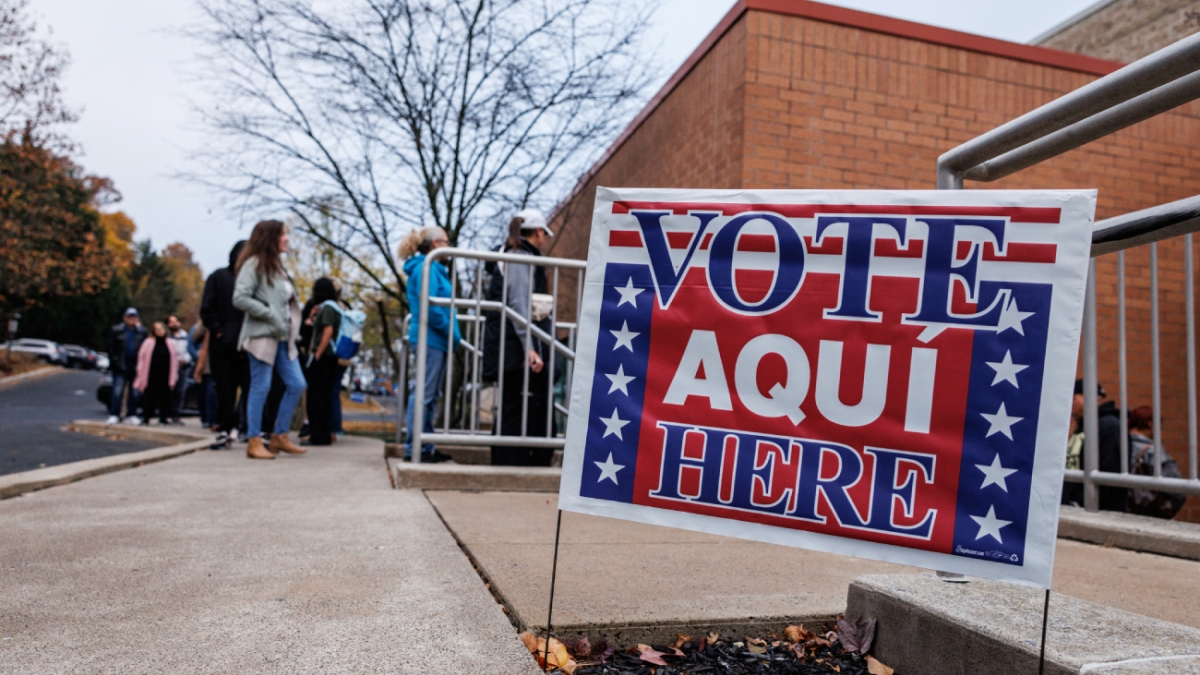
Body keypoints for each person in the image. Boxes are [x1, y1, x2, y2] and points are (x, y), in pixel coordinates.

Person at [483, 209, 555, 466]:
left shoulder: (509, 254)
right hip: (513, 343)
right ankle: (508, 463)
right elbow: (518, 304)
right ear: (538, 232)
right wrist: (530, 347)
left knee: (513, 404)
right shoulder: (519, 256)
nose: (544, 239)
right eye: (543, 234)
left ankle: (508, 460)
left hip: (507, 340)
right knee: (514, 406)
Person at [232, 220, 307, 460]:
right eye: (283, 234)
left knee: (297, 384)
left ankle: (279, 436)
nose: (287, 238)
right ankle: (254, 441)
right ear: (270, 237)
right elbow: (240, 298)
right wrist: (269, 313)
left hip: (284, 337)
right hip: (262, 336)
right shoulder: (254, 265)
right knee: (261, 385)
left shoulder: (277, 267)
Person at [401, 225, 460, 463]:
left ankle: (424, 446)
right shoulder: (428, 268)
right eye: (446, 240)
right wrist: (452, 334)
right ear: (435, 243)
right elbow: (432, 308)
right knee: (424, 394)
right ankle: (415, 448)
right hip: (432, 338)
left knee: (428, 394)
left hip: (434, 339)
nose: (448, 244)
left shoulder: (428, 267)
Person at [201, 241, 249, 447]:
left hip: (247, 344)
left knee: (248, 388)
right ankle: (225, 427)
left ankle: (240, 426)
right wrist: (219, 330)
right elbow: (207, 308)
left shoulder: (252, 281)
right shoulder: (218, 277)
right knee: (224, 389)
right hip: (223, 345)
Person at [1062, 379, 1127, 511]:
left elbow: (1108, 473)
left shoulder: (1109, 426)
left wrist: (1080, 503)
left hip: (1097, 513)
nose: (1069, 404)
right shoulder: (1083, 426)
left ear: (1092, 398)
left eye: (1073, 398)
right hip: (1077, 510)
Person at [1126, 406, 1187, 518]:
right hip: (1150, 513)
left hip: (1124, 510)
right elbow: (1178, 489)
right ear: (1150, 424)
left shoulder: (1119, 445)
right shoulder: (1153, 451)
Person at [304, 277, 342, 446]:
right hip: (331, 358)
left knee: (316, 397)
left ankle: (318, 435)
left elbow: (328, 330)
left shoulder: (327, 308)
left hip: (323, 356)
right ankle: (324, 433)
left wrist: (318, 352)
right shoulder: (335, 307)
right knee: (325, 396)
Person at [106, 308, 148, 425]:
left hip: (136, 367)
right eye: (129, 316)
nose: (131, 319)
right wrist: (115, 362)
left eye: (134, 316)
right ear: (124, 318)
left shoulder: (142, 332)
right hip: (120, 365)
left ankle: (132, 414)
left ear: (137, 318)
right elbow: (110, 348)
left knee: (135, 393)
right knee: (117, 391)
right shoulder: (116, 330)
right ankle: (114, 414)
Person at [133, 322, 178, 426]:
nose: (159, 330)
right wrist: (140, 371)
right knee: (149, 396)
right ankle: (146, 417)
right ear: (153, 331)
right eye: (157, 329)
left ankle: (163, 418)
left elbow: (175, 360)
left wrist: (174, 374)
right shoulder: (148, 342)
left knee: (165, 396)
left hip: (166, 374)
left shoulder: (171, 343)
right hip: (151, 373)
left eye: (161, 328)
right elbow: (141, 358)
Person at [166, 315, 192, 424]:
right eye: (171, 322)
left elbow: (190, 349)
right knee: (169, 391)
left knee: (180, 391)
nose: (174, 324)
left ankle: (177, 414)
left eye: (176, 321)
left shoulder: (186, 336)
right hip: (170, 367)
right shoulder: (167, 337)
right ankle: (167, 413)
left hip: (183, 367)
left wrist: (184, 360)